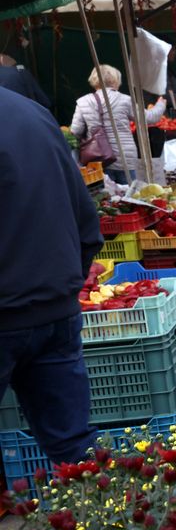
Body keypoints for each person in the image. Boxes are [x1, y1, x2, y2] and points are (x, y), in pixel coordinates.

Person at [0, 88, 103, 468]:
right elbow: (85, 215)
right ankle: (115, 523)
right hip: (55, 308)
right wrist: (67, 281)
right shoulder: (33, 113)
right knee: (75, 449)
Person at [69, 64, 166, 185]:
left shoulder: (83, 102)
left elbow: (75, 131)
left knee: (106, 197)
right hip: (125, 158)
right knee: (130, 197)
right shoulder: (124, 100)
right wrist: (161, 104)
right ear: (116, 80)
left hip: (98, 158)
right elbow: (149, 118)